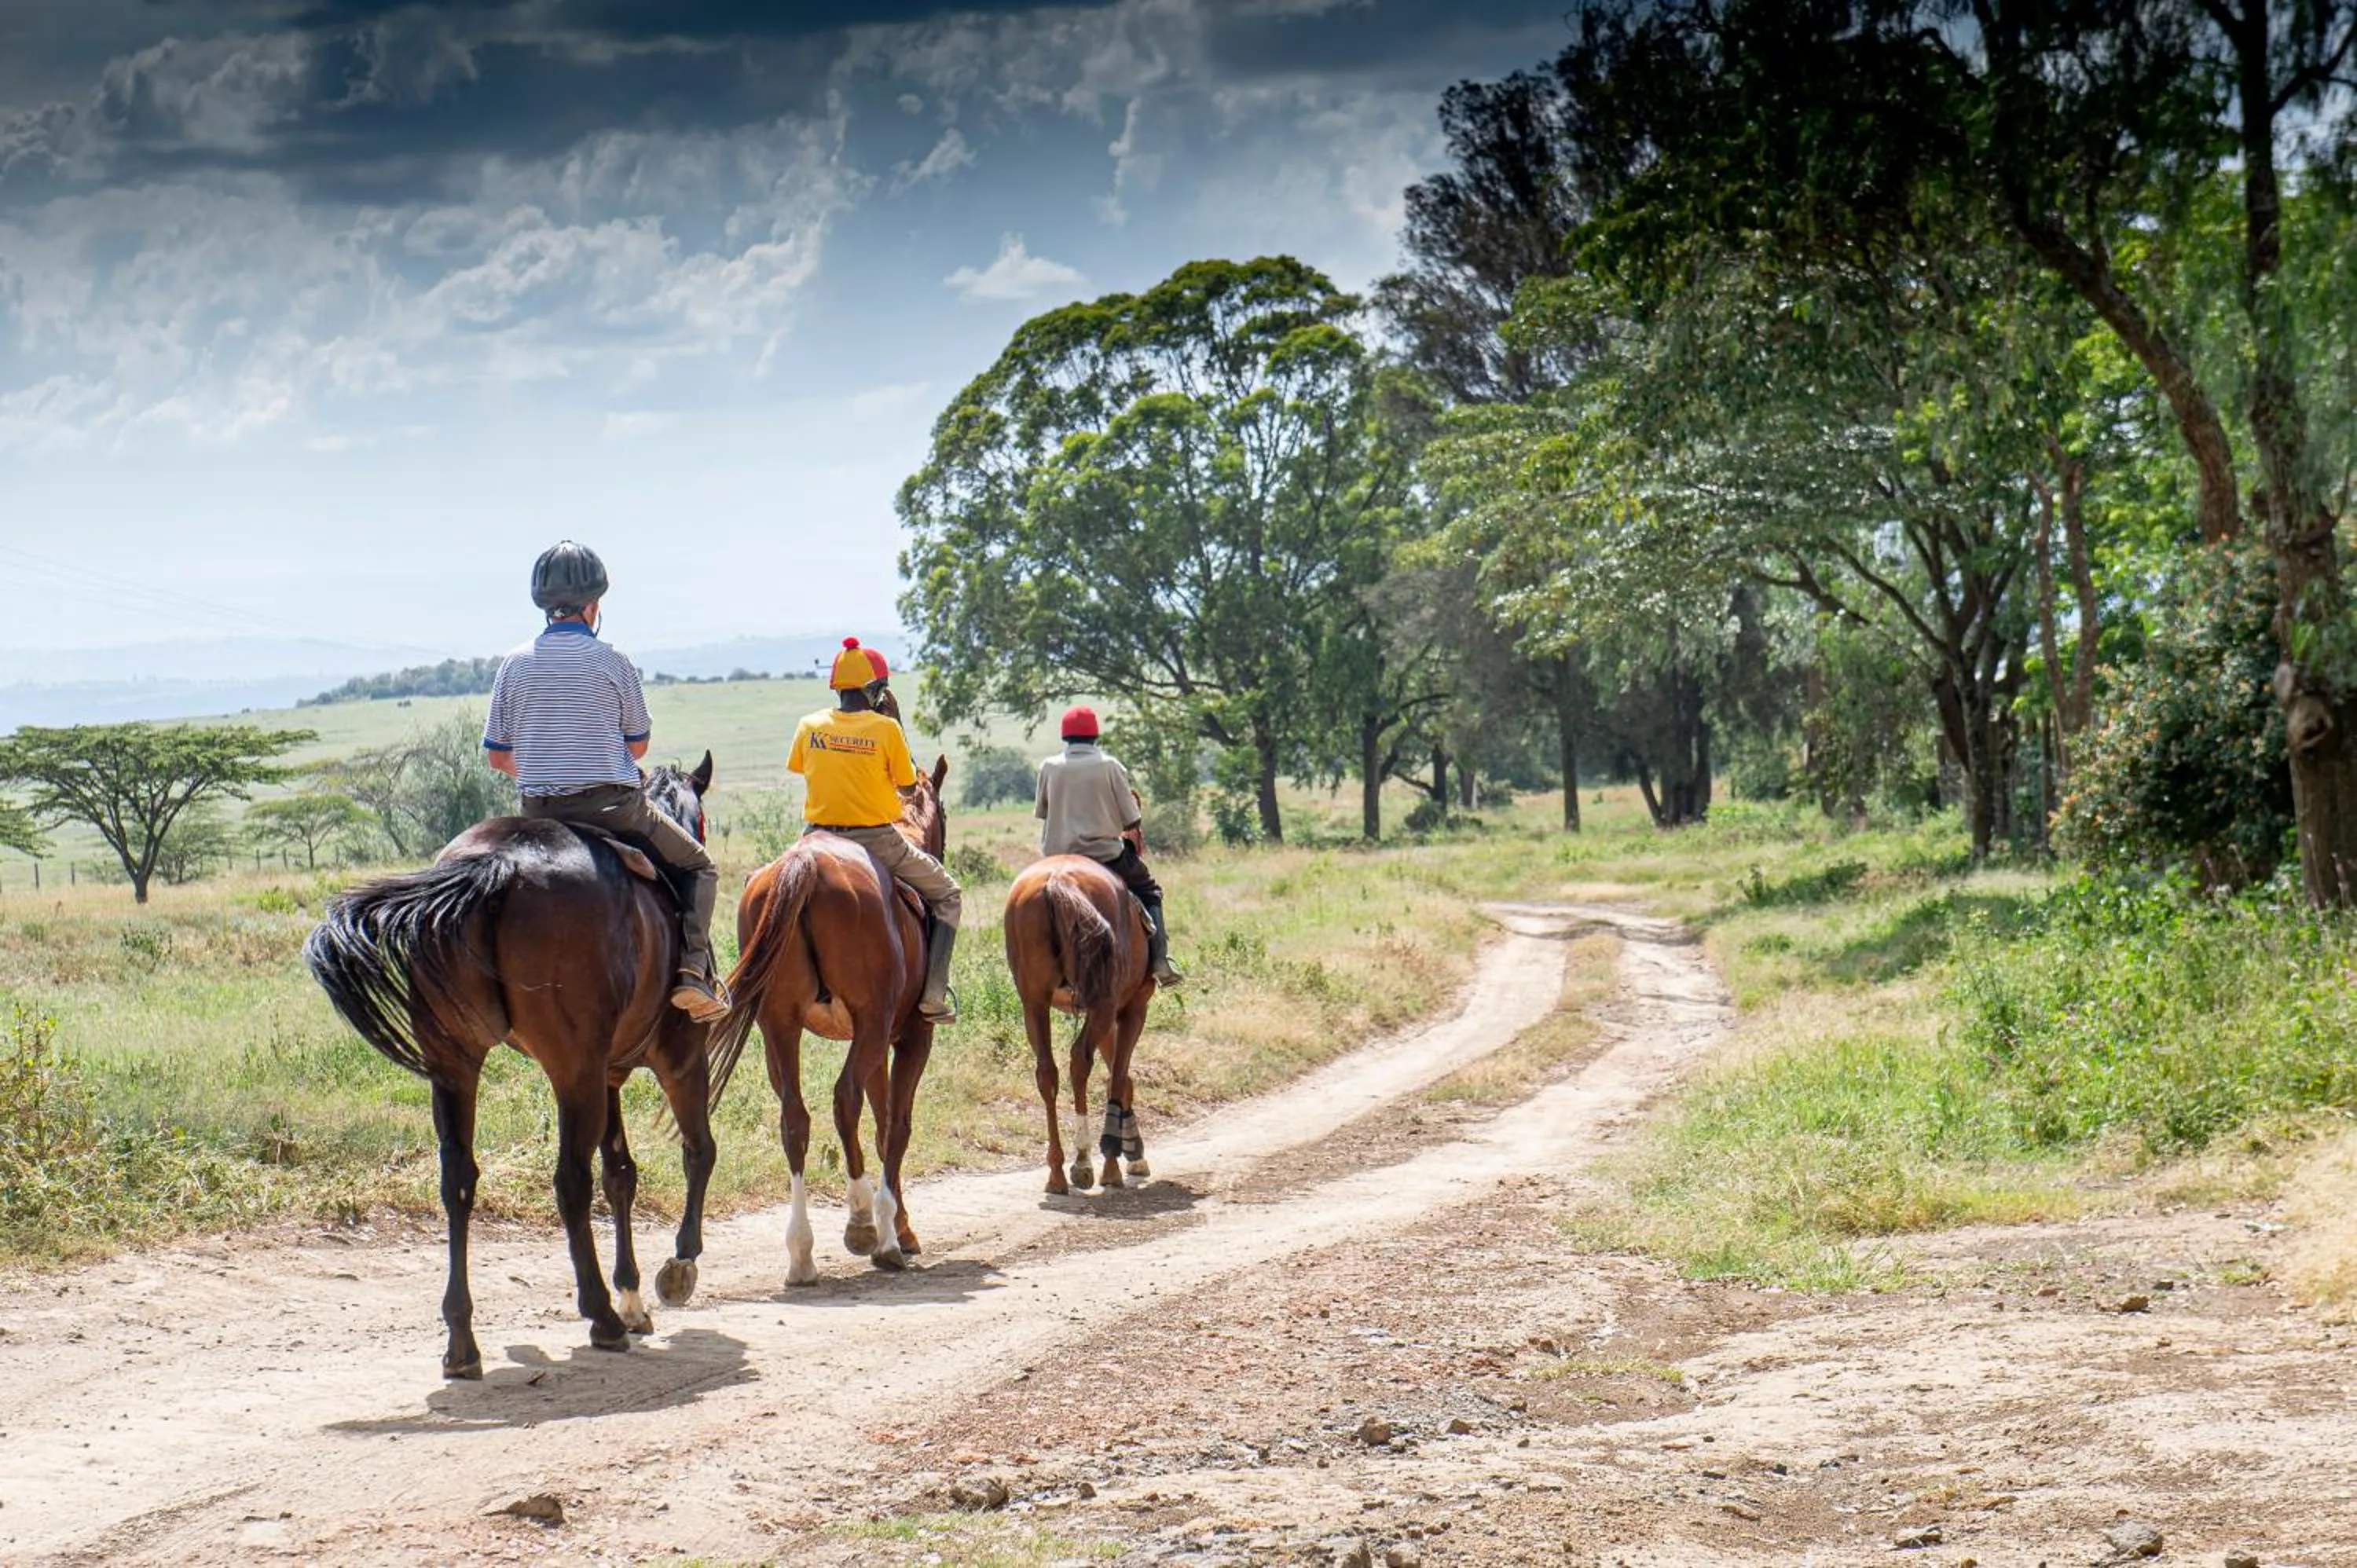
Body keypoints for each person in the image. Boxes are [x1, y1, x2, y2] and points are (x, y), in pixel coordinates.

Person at [482, 540, 730, 1023]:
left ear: (544, 607)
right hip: (615, 810)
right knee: (701, 867)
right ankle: (693, 975)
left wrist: (539, 768)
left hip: (537, 814)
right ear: (594, 606)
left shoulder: (514, 663)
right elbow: (637, 746)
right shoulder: (613, 661)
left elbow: (497, 755)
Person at [788, 638, 962, 1024]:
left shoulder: (809, 725)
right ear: (876, 690)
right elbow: (907, 787)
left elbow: (800, 767)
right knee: (949, 894)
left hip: (816, 834)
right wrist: (893, 726)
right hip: (875, 839)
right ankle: (934, 993)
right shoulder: (886, 729)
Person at [1036, 706, 1183, 987]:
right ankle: (1161, 961)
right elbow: (1132, 818)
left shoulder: (1049, 766)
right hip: (1105, 856)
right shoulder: (1110, 766)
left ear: (1065, 736)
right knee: (1150, 889)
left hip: (1057, 858)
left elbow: (1043, 811)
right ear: (1095, 735)